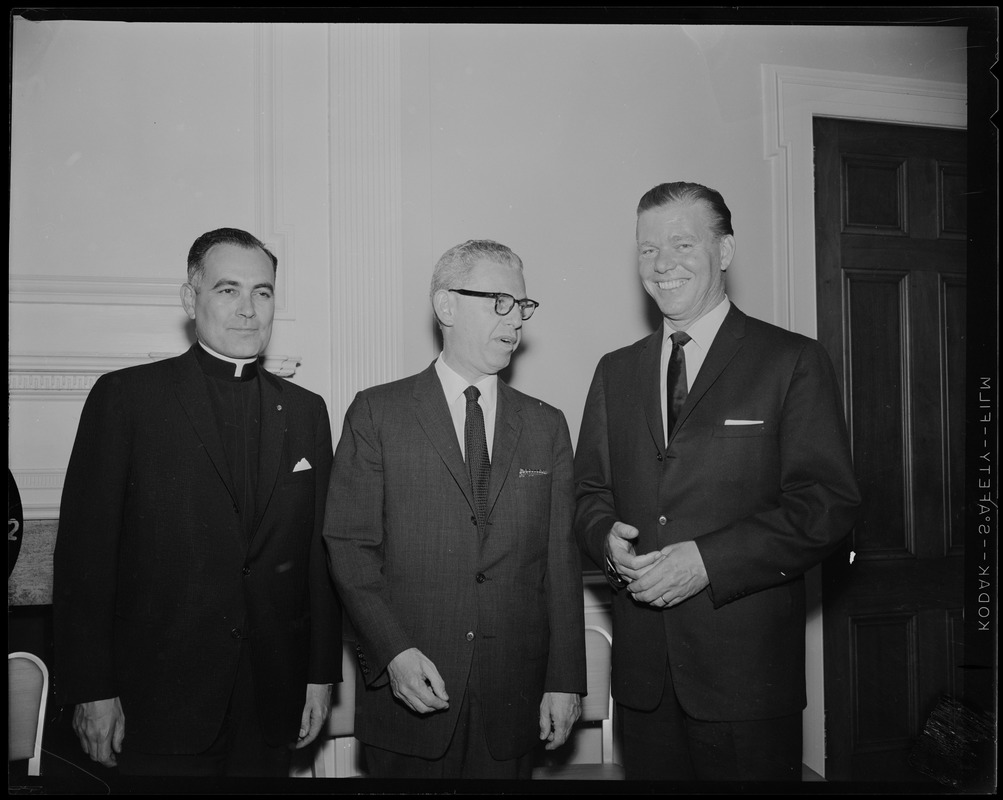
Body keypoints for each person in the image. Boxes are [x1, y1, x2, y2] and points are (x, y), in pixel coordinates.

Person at [574, 182, 861, 782]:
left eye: (682, 243)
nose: (662, 264)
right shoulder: (615, 371)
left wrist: (709, 561)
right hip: (643, 682)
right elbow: (589, 494)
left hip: (747, 681)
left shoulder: (791, 361)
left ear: (725, 251)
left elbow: (827, 505)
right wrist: (606, 540)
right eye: (647, 249)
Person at [52, 228, 342, 777]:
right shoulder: (126, 398)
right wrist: (92, 690)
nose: (248, 310)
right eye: (228, 290)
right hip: (156, 702)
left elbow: (315, 557)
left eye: (263, 292)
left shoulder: (306, 411)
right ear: (191, 299)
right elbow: (83, 563)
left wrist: (320, 674)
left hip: (270, 698)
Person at [324, 239, 586, 780]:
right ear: (446, 306)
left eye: (522, 306)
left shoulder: (546, 425)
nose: (515, 322)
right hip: (411, 693)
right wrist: (394, 652)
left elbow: (559, 565)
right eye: (499, 302)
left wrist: (565, 681)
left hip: (513, 706)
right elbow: (350, 547)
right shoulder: (377, 412)